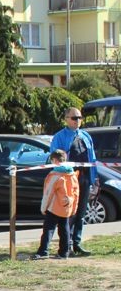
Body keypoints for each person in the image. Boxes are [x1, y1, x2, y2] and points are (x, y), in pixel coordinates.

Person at [49, 107, 97, 256]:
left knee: (81, 213)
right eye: (74, 118)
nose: (78, 121)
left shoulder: (86, 136)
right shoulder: (59, 137)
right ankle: (66, 245)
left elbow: (93, 159)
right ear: (66, 119)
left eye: (80, 118)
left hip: (84, 178)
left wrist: (95, 179)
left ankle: (77, 243)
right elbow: (55, 160)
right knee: (69, 213)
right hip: (69, 180)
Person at [33, 149, 79, 260]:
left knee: (48, 229)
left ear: (54, 160)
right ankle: (64, 252)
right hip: (67, 207)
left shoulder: (54, 175)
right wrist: (74, 208)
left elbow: (48, 193)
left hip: (53, 207)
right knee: (64, 229)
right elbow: (76, 192)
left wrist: (43, 207)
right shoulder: (72, 175)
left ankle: (43, 251)